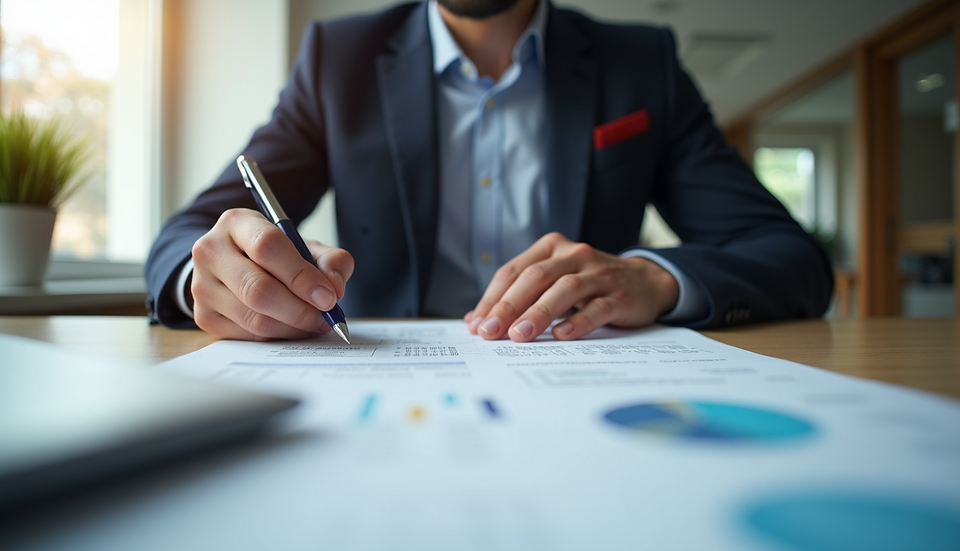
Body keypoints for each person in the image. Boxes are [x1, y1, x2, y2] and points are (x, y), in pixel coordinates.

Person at [145, 0, 833, 343]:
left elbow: (792, 259)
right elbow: (188, 236)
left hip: (584, 400)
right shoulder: (339, 58)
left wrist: (653, 278)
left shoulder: (639, 65)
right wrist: (211, 274)